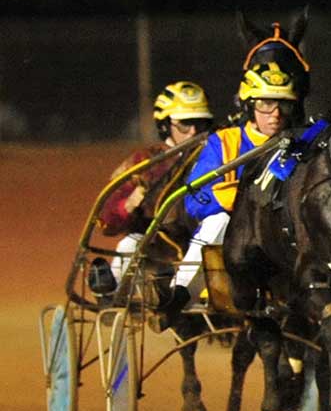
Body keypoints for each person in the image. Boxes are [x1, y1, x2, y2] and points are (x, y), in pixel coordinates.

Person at [169, 61, 305, 311]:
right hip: (234, 236)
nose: (275, 113)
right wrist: (236, 200)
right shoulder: (223, 142)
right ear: (249, 105)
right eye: (265, 103)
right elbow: (194, 199)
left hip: (282, 238)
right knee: (217, 221)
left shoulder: (301, 145)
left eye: (283, 104)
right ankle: (180, 295)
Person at [95, 82, 217, 289]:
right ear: (164, 125)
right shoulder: (145, 162)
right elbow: (106, 220)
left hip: (207, 247)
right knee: (129, 244)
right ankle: (112, 297)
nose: (194, 132)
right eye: (185, 125)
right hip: (158, 250)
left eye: (201, 124)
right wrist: (131, 202)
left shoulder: (219, 156)